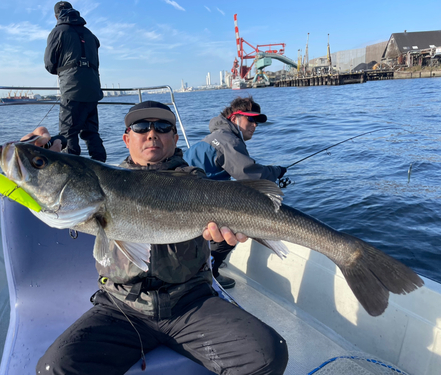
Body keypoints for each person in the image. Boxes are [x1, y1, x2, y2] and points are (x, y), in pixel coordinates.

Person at [24, 101, 288, 375]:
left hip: (191, 302)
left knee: (269, 355)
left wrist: (224, 236)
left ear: (174, 138)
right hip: (121, 306)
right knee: (56, 368)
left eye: (163, 127)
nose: (152, 133)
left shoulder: (195, 181)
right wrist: (41, 150)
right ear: (127, 139)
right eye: (141, 127)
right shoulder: (99, 181)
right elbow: (52, 179)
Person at [183, 96, 287, 289]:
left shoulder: (218, 136)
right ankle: (210, 272)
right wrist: (277, 171)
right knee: (236, 226)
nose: (254, 125)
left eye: (257, 122)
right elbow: (250, 175)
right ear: (235, 118)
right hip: (194, 199)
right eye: (251, 119)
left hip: (190, 194)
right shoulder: (229, 140)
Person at [44, 1, 107, 162]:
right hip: (93, 89)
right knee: (91, 132)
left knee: (68, 134)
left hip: (72, 89)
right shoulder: (90, 34)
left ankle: (71, 172)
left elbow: (49, 64)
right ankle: (103, 168)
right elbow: (96, 61)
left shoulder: (57, 32)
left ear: (56, 16)